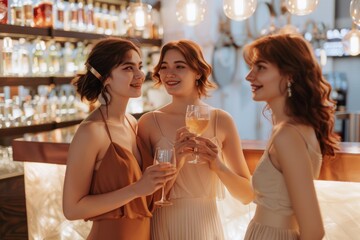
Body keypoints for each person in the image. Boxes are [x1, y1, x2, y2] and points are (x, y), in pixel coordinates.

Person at [137, 39, 253, 240]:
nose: (169, 74)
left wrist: (218, 166)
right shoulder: (149, 122)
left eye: (179, 66)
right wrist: (177, 162)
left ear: (198, 72)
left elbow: (247, 195)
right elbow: (142, 194)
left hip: (206, 226)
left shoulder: (221, 120)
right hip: (164, 225)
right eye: (164, 67)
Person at [62, 38, 176, 240]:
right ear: (105, 77)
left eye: (139, 67)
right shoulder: (91, 132)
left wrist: (181, 155)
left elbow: (148, 196)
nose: (140, 75)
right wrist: (136, 189)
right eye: (128, 68)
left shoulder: (132, 122)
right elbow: (72, 209)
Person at [242, 33, 339, 240]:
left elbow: (314, 230)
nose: (249, 76)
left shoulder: (287, 135)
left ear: (289, 75)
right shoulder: (294, 128)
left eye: (260, 67)